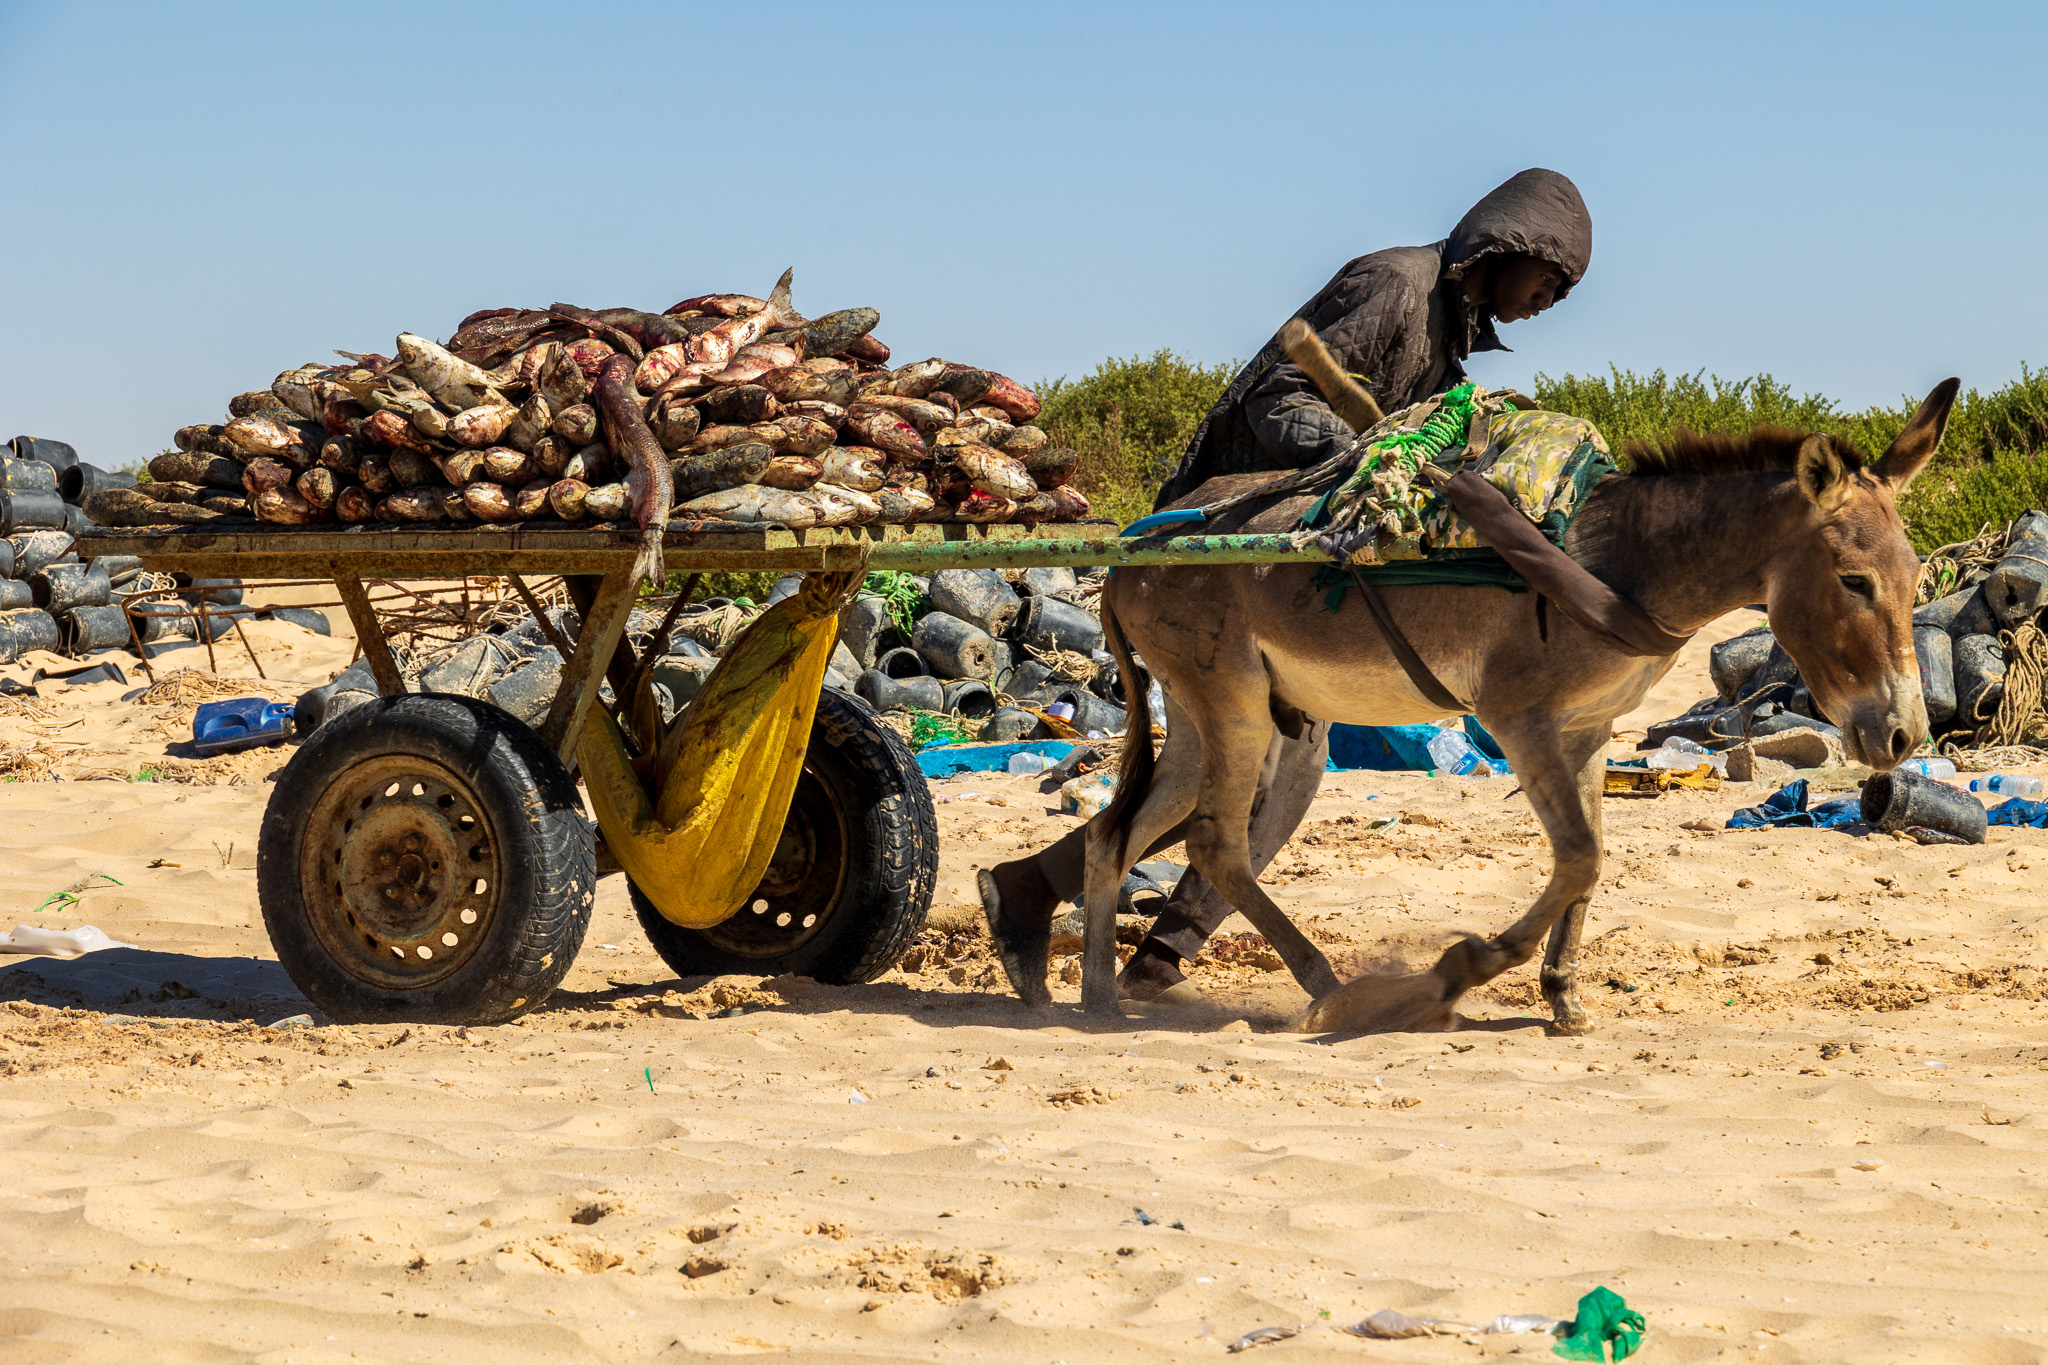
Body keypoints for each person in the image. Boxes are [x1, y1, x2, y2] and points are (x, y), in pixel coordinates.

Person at [979, 167, 1594, 1007]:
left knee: (1276, 777)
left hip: (1298, 568)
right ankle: (1122, 938)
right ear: (1508, 245)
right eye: (1550, 280)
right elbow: (1279, 397)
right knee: (1253, 775)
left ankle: (1102, 929)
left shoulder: (1450, 331)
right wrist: (1361, 456)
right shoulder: (1394, 284)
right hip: (1230, 553)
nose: (1550, 301)